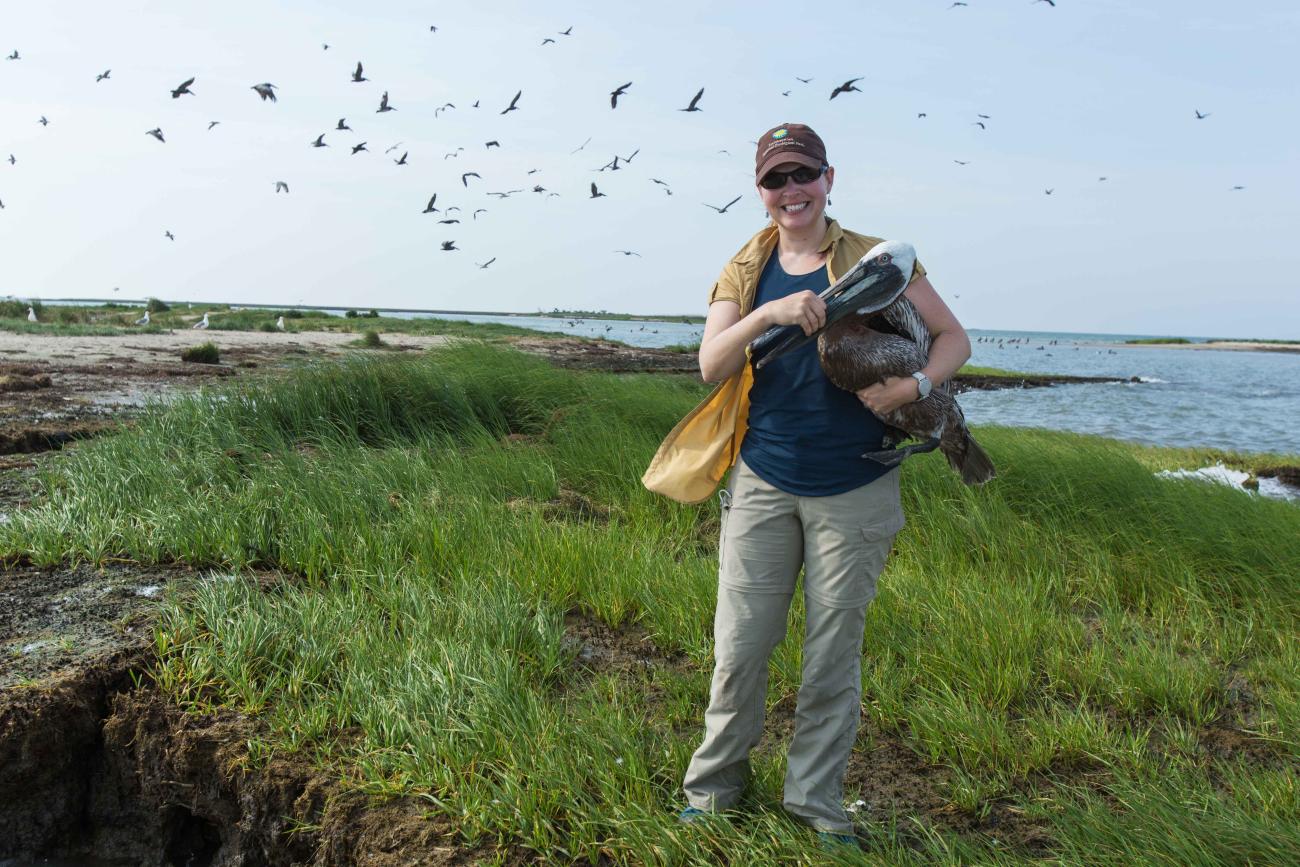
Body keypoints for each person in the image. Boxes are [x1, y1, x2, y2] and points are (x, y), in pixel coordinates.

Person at [646, 123, 971, 847]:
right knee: (739, 649)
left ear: (830, 179)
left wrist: (913, 386)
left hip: (855, 487)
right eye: (776, 180)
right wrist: (770, 312)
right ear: (760, 191)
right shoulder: (746, 266)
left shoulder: (875, 259)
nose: (791, 191)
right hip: (765, 479)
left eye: (804, 175)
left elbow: (955, 339)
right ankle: (712, 791)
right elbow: (711, 365)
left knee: (832, 658)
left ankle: (817, 807)